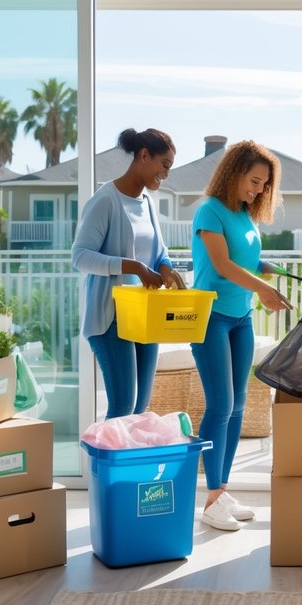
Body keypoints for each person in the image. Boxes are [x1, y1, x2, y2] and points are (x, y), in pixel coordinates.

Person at [191, 140, 291, 532]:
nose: (259, 190)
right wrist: (263, 289)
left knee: (237, 406)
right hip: (211, 317)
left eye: (264, 185)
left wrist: (271, 272)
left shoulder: (245, 216)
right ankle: (211, 496)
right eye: (254, 181)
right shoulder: (209, 211)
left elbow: (245, 260)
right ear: (233, 173)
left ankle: (222, 491)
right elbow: (220, 263)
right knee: (219, 405)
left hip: (241, 317)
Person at [72, 127, 186, 419]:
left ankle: (128, 466)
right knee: (123, 406)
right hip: (110, 320)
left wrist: (166, 270)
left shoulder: (147, 204)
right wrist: (133, 266)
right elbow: (80, 256)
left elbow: (160, 253)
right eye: (164, 165)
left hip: (143, 318)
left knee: (139, 408)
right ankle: (104, 466)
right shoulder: (105, 200)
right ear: (144, 156)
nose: (166, 174)